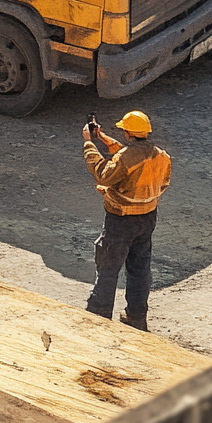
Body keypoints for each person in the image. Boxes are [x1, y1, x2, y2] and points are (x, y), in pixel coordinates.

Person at [82, 111, 172, 331]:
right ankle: (136, 316)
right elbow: (160, 183)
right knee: (140, 268)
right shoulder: (161, 156)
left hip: (121, 221)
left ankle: (98, 316)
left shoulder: (125, 158)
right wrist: (103, 138)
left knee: (108, 268)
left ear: (128, 133)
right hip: (148, 218)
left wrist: (89, 143)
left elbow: (104, 173)